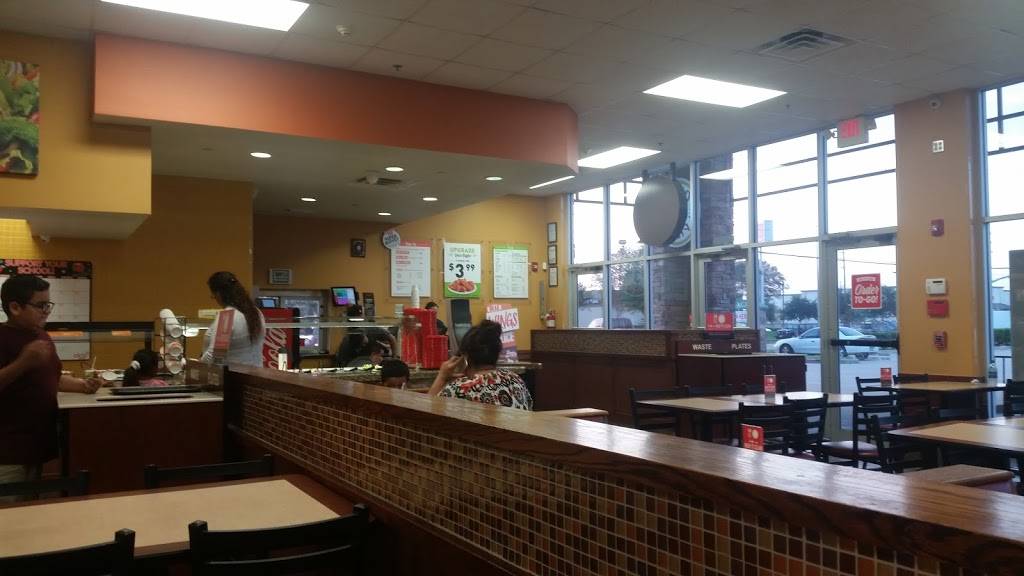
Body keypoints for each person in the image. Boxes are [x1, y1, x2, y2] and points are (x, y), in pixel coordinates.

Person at [0, 275, 101, 490]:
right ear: (15, 307)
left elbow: (53, 377)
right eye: (41, 305)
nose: (47, 311)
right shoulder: (2, 337)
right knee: (9, 505)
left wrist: (83, 386)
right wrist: (23, 362)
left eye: (48, 304)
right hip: (8, 449)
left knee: (31, 503)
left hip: (36, 443)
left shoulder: (42, 336)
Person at [428, 319, 532, 410]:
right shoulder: (516, 380)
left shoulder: (459, 389)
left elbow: (426, 415)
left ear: (465, 357)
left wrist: (441, 378)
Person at [200, 271, 266, 367]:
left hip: (233, 374)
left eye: (213, 296)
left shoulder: (227, 317)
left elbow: (215, 356)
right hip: (256, 372)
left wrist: (196, 365)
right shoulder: (257, 312)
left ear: (218, 294)